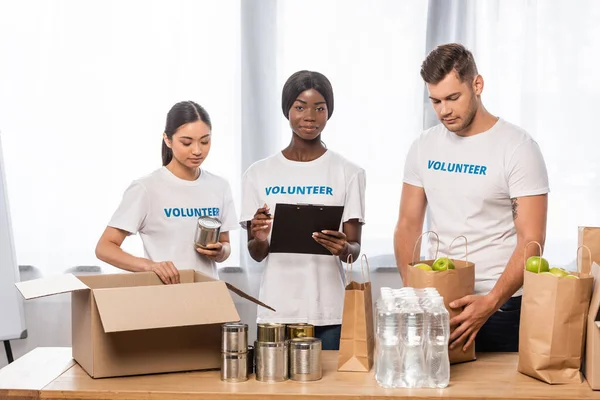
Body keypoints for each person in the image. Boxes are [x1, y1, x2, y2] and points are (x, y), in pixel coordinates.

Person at [393, 43, 549, 352]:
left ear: (477, 85)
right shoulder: (424, 146)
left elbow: (532, 239)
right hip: (438, 301)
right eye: (435, 101)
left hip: (502, 308)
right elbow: (408, 225)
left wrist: (491, 302)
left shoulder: (518, 147)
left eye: (453, 98)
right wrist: (414, 291)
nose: (444, 111)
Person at [240, 70, 366, 350]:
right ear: (287, 110)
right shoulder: (258, 174)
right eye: (300, 107)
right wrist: (260, 237)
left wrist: (343, 248)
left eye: (319, 108)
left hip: (328, 311)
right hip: (275, 310)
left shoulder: (349, 172)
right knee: (275, 391)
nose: (310, 116)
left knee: (328, 391)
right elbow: (256, 254)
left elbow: (353, 251)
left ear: (328, 112)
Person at [95, 101, 238, 284]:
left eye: (205, 141)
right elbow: (104, 247)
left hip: (208, 296)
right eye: (186, 142)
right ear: (167, 139)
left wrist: (221, 251)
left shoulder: (219, 186)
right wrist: (150, 266)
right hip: (166, 298)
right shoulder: (146, 188)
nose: (197, 150)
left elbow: (225, 245)